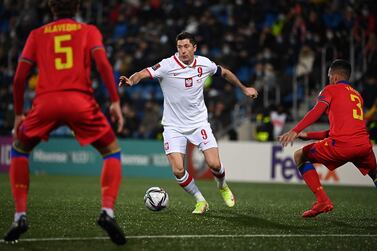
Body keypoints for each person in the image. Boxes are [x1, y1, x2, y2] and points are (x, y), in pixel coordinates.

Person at [4, 0, 126, 245]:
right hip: (80, 101)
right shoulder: (89, 31)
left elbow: (19, 78)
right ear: (78, 8)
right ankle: (107, 212)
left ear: (51, 8)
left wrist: (19, 114)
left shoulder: (36, 35)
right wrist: (114, 101)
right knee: (111, 152)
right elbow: (103, 65)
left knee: (19, 150)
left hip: (45, 103)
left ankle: (19, 216)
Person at [119, 32, 258, 214]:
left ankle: (222, 186)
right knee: (178, 170)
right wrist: (132, 80)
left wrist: (243, 88)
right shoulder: (167, 65)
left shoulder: (204, 63)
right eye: (179, 47)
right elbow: (144, 73)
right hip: (173, 126)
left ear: (194, 48)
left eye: (186, 47)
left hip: (199, 123)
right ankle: (200, 201)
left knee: (214, 165)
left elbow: (224, 72)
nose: (182, 51)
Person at [279, 59, 377, 218]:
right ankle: (322, 202)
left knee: (299, 156)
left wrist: (296, 130)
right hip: (364, 146)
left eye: (329, 76)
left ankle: (322, 200)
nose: (329, 79)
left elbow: (316, 111)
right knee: (375, 174)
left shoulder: (330, 90)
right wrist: (308, 136)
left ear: (335, 77)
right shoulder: (357, 95)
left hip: (342, 146)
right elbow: (339, 130)